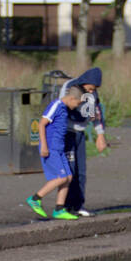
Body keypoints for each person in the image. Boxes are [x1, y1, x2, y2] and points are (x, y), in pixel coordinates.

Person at [25, 85, 83, 221]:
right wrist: (44, 145)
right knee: (61, 178)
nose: (76, 106)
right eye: (77, 103)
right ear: (72, 98)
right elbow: (41, 124)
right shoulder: (56, 105)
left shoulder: (64, 108)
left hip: (59, 148)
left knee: (68, 177)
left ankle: (59, 209)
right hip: (50, 147)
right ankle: (35, 199)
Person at [59, 67, 108, 216]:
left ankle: (78, 205)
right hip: (67, 132)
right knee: (70, 170)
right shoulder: (70, 87)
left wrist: (100, 135)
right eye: (90, 88)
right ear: (84, 82)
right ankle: (66, 206)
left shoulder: (92, 94)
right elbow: (61, 107)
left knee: (81, 171)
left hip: (80, 133)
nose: (92, 91)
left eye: (94, 90)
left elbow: (96, 113)